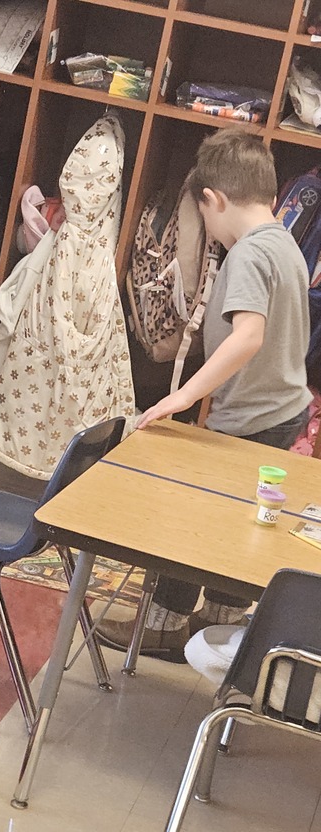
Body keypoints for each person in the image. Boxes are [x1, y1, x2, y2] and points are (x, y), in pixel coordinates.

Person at [98, 128, 312, 661]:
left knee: (190, 518)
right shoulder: (284, 241)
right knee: (235, 523)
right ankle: (217, 625)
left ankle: (166, 626)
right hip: (281, 409)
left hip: (252, 418)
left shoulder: (248, 255)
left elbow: (248, 336)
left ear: (213, 200)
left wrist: (183, 397)